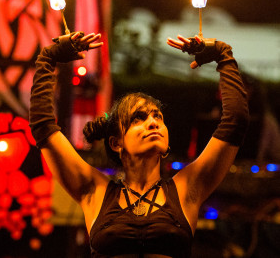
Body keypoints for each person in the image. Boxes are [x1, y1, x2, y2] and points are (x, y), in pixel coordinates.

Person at [29, 32, 249, 257]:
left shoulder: (188, 188)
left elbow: (235, 122)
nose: (153, 123)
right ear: (116, 143)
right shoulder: (94, 191)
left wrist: (223, 55)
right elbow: (43, 126)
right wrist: (48, 58)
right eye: (138, 118)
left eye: (158, 117)